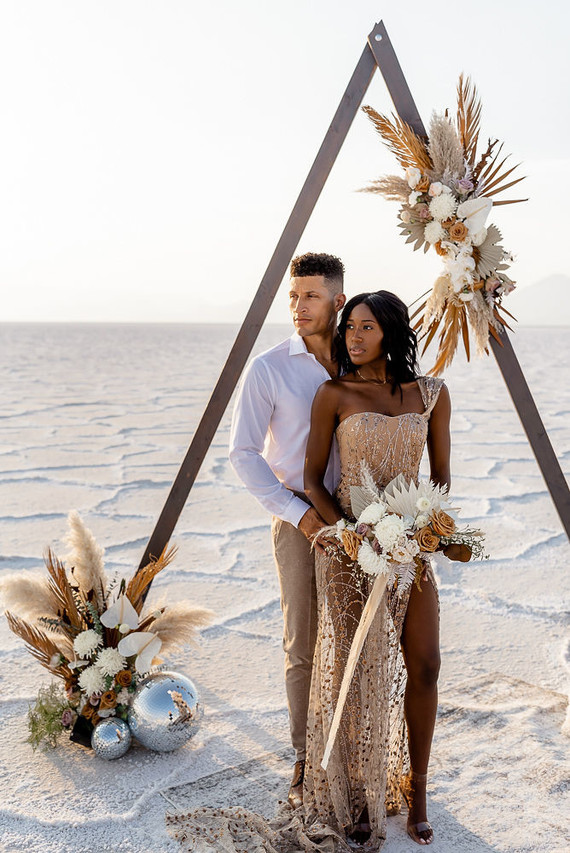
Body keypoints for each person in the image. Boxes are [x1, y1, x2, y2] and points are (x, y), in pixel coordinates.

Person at [302, 289, 462, 848]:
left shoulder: (432, 395)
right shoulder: (333, 393)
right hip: (352, 554)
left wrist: (430, 527)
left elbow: (440, 479)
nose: (354, 336)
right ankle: (360, 797)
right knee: (358, 677)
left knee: (426, 664)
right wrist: (347, 532)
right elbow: (312, 481)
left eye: (367, 327)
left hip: (411, 551)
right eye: (350, 328)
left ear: (392, 332)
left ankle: (416, 792)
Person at [228, 251, 346, 808]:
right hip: (297, 517)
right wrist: (297, 513)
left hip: (359, 523)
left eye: (310, 296)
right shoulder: (269, 367)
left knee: (353, 641)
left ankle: (348, 751)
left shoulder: (360, 357)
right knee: (303, 642)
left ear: (337, 301)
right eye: (293, 297)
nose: (298, 307)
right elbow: (243, 454)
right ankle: (303, 759)